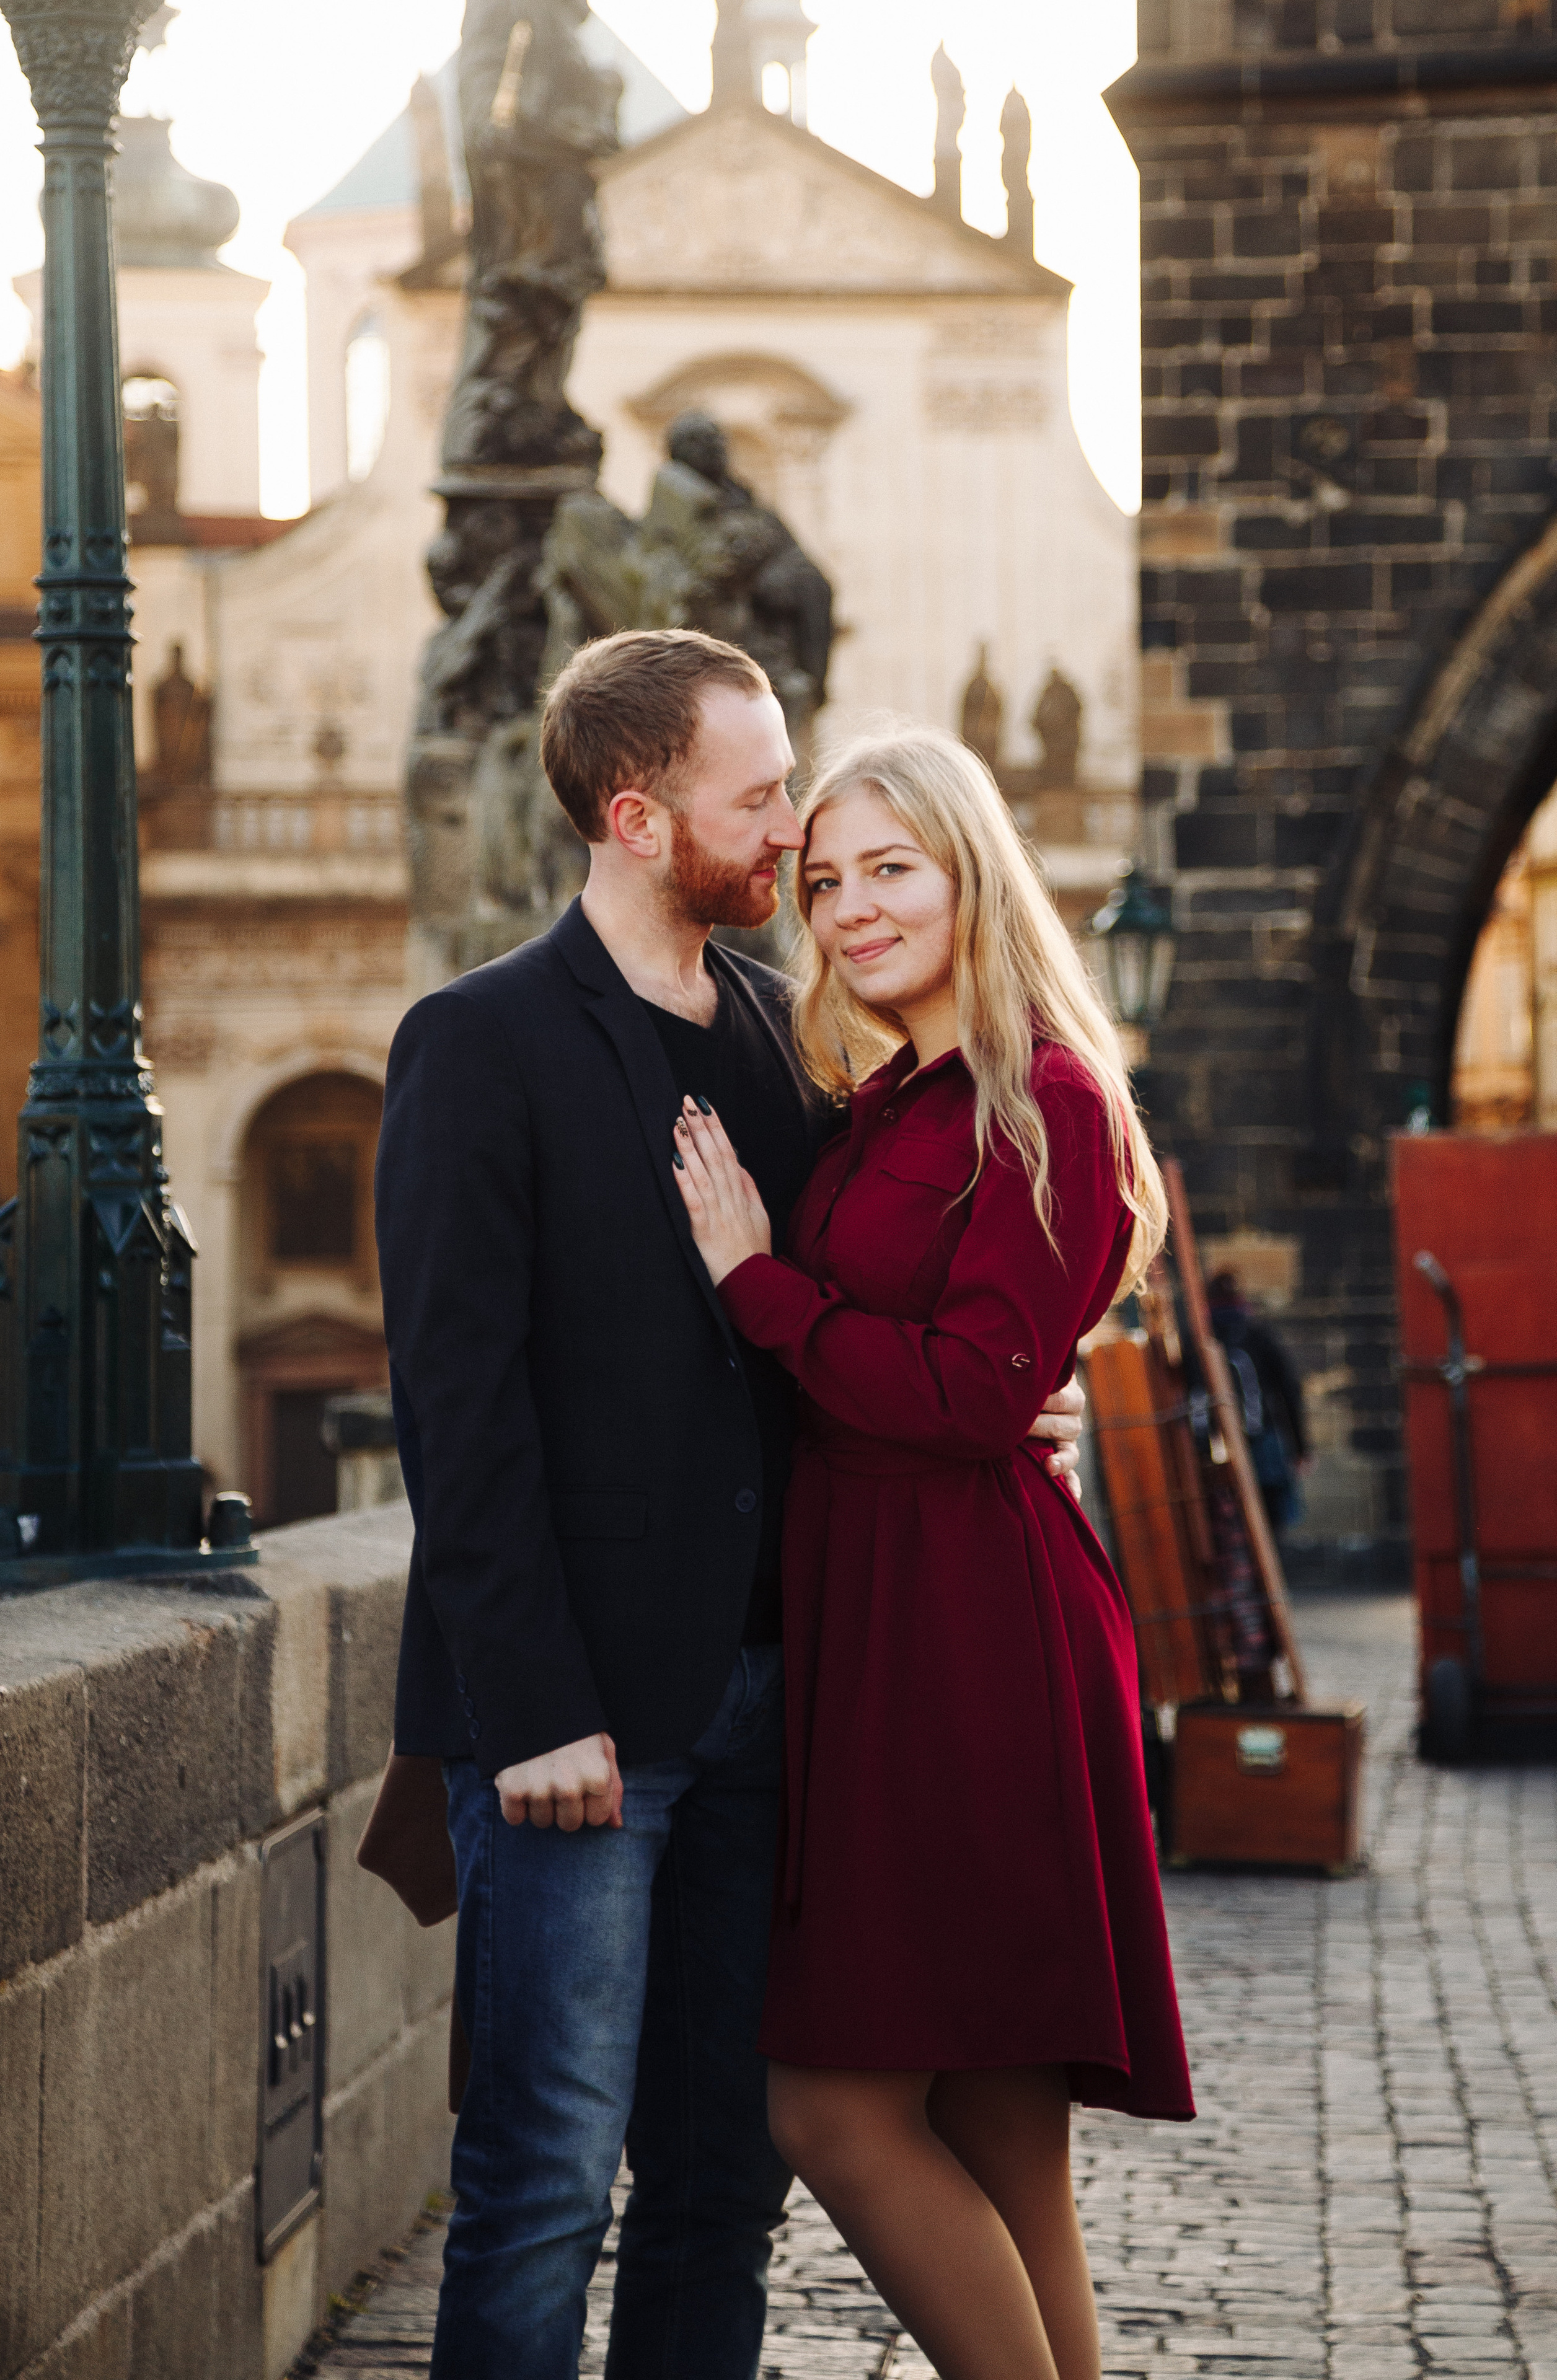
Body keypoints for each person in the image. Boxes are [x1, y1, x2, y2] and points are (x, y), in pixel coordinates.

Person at [373, 631, 1085, 2379]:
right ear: (636, 814)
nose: (792, 831)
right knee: (542, 2186)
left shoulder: (794, 1040)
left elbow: (856, 1325)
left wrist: (1002, 1409)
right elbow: (457, 1415)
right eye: (762, 797)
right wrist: (533, 1712)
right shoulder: (477, 1042)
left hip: (787, 1708)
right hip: (581, 1734)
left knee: (722, 2183)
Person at [670, 723, 1196, 2380]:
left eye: (891, 868)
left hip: (968, 1634)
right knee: (996, 2124)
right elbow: (969, 1383)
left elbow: (976, 1390)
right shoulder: (894, 1098)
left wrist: (760, 1286)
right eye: (823, 884)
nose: (850, 911)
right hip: (894, 1602)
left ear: (973, 870)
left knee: (833, 2101)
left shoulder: (1040, 1095)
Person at [1207, 1269, 1310, 1536]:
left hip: (1213, 1449)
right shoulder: (1258, 1334)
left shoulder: (1200, 1338)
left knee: (1224, 1529)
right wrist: (1300, 1447)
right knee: (1271, 1526)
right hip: (1264, 1443)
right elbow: (1289, 1391)